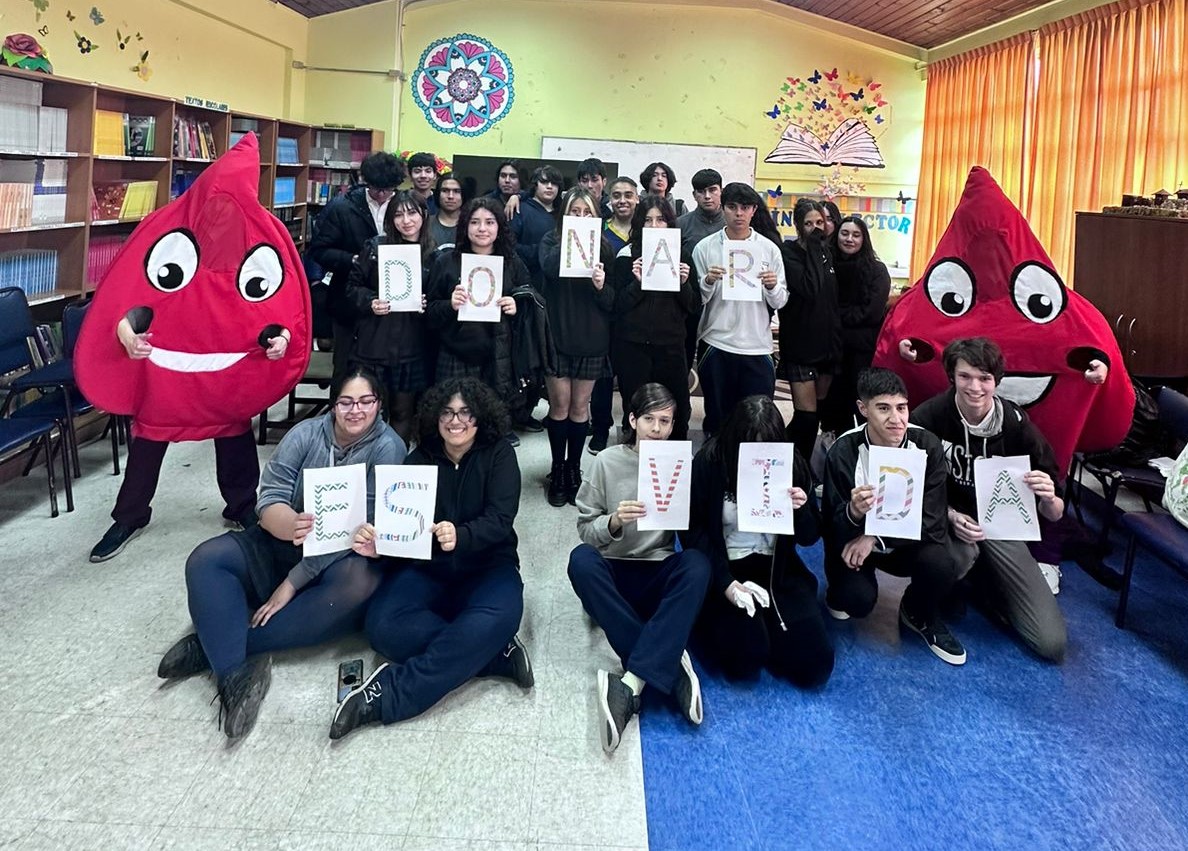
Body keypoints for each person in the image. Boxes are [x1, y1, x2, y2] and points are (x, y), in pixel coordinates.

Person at [160, 367, 406, 739]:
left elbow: (358, 530)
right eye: (346, 402)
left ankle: (213, 646)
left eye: (366, 402)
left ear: (379, 404)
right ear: (332, 404)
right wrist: (289, 524)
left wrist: (291, 583)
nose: (356, 411)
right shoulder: (305, 434)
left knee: (358, 583)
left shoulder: (388, 447)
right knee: (205, 560)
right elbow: (270, 497)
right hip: (285, 540)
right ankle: (233, 673)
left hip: (341, 555)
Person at [329, 377, 532, 738]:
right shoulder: (417, 461)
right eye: (447, 413)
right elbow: (399, 529)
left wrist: (462, 535)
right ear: (435, 418)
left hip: (488, 566)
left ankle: (386, 695)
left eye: (466, 413)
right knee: (382, 627)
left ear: (481, 417)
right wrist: (380, 547)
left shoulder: (499, 454)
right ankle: (491, 655)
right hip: (428, 569)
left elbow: (500, 520)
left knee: (503, 614)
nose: (456, 421)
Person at [567, 383, 710, 753]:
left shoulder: (680, 464)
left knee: (697, 564)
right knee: (580, 560)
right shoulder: (606, 462)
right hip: (614, 569)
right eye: (649, 419)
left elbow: (693, 532)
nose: (657, 429)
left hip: (657, 567)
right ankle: (670, 666)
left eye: (665, 421)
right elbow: (585, 529)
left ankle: (631, 682)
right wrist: (614, 521)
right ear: (632, 420)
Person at [910, 338, 1067, 661]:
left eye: (984, 378)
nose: (975, 387)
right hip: (946, 522)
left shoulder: (1016, 425)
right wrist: (950, 515)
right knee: (953, 559)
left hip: (1000, 526)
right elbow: (910, 489)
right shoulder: (929, 417)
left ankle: (982, 584)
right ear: (951, 376)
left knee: (1051, 644)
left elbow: (1054, 513)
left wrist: (1049, 497)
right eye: (965, 376)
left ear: (996, 381)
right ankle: (924, 601)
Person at [821, 368, 966, 665]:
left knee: (942, 563)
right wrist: (852, 512)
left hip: (903, 544)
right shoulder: (843, 450)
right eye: (883, 408)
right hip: (854, 547)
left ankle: (918, 611)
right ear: (863, 409)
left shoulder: (927, 445)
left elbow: (933, 521)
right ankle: (839, 589)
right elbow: (829, 526)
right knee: (855, 601)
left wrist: (875, 536)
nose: (896, 419)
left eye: (902, 407)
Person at [688, 395, 833, 686]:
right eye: (749, 445)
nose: (758, 453)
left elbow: (809, 537)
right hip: (727, 566)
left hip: (777, 569)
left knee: (815, 666)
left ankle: (771, 631)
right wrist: (726, 583)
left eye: (766, 444)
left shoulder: (791, 463)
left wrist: (802, 509)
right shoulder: (710, 462)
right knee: (745, 660)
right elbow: (694, 532)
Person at [692, 182, 788, 437]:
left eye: (745, 208)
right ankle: (715, 459)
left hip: (758, 346)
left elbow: (780, 301)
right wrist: (708, 281)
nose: (738, 213)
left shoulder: (768, 249)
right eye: (732, 207)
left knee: (757, 422)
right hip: (717, 342)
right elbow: (695, 300)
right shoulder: (705, 247)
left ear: (754, 210)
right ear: (722, 208)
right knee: (717, 419)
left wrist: (772, 286)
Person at [538, 188, 615, 506]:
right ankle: (558, 469)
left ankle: (574, 468)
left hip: (592, 337)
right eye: (574, 212)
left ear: (596, 216)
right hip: (557, 336)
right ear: (564, 215)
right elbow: (547, 268)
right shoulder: (550, 241)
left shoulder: (605, 248)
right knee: (559, 406)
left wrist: (600, 285)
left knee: (580, 408)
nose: (581, 217)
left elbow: (611, 301)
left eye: (587, 213)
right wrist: (572, 238)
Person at [344, 190, 435, 442]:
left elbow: (439, 300)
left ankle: (394, 461)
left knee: (403, 411)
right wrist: (370, 301)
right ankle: (365, 459)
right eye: (398, 214)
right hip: (374, 342)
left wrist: (427, 303)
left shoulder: (433, 254)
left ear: (424, 215)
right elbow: (351, 288)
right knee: (368, 409)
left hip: (411, 345)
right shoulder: (376, 246)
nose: (406, 220)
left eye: (412, 213)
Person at [425, 197, 524, 426]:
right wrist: (450, 304)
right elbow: (429, 312)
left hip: (497, 355)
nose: (482, 229)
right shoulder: (446, 262)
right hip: (453, 353)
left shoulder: (512, 263)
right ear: (464, 226)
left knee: (489, 418)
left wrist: (516, 305)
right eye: (474, 222)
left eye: (489, 222)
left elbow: (529, 301)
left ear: (499, 227)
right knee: (453, 417)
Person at [308, 151, 406, 381]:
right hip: (349, 300)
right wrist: (352, 260)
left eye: (387, 189)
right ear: (365, 182)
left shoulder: (405, 206)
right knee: (346, 369)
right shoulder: (342, 207)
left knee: (388, 372)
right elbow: (319, 251)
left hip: (395, 301)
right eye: (376, 188)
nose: (381, 195)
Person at [610, 194, 698, 440]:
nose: (654, 225)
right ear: (639, 223)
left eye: (660, 220)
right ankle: (633, 452)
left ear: (669, 223)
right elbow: (617, 305)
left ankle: (673, 456)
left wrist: (683, 284)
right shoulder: (627, 254)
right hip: (633, 345)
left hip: (671, 345)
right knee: (636, 406)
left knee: (678, 407)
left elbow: (693, 306)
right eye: (648, 220)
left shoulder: (682, 255)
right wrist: (637, 283)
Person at [780, 197, 841, 465]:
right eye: (809, 224)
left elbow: (831, 298)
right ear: (798, 226)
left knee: (817, 415)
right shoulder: (789, 252)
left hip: (828, 346)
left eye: (820, 222)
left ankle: (795, 462)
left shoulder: (828, 252)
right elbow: (809, 288)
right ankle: (793, 466)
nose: (816, 228)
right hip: (801, 346)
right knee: (806, 416)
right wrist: (815, 246)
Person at [822, 215, 891, 435]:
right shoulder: (826, 267)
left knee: (862, 402)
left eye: (856, 235)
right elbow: (821, 306)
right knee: (832, 405)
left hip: (863, 351)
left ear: (864, 239)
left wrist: (837, 315)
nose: (849, 239)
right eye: (844, 233)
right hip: (831, 349)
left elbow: (872, 311)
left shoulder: (877, 270)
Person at [677, 168, 725, 374]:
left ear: (721, 191)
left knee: (718, 361)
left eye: (712, 190)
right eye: (701, 191)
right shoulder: (680, 224)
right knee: (684, 357)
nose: (707, 196)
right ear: (694, 195)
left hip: (723, 301)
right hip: (689, 302)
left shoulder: (732, 224)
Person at [510, 165, 562, 285]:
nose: (549, 186)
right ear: (535, 185)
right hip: (527, 280)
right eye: (544, 182)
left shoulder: (564, 212)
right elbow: (510, 246)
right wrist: (541, 251)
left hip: (556, 284)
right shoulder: (519, 209)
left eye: (554, 183)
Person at [603, 177, 639, 255]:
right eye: (616, 196)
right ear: (610, 200)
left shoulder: (644, 228)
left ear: (637, 199)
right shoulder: (601, 229)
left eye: (628, 196)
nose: (622, 201)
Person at [429, 173, 464, 249]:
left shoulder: (471, 225)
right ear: (438, 194)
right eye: (445, 190)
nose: (450, 196)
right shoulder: (425, 224)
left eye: (456, 191)